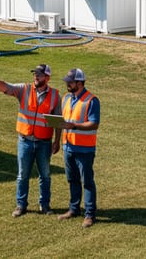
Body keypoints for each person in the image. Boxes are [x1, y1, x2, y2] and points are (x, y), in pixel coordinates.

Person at [0, 64, 62, 217]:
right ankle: (20, 205)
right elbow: (5, 87)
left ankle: (45, 205)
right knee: (22, 175)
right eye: (35, 74)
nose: (36, 76)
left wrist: (57, 141)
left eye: (40, 74)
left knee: (45, 175)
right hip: (25, 141)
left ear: (47, 78)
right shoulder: (25, 89)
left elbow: (57, 122)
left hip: (44, 143)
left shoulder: (56, 96)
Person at [56, 67, 100, 228]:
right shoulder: (67, 98)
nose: (67, 84)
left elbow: (94, 123)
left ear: (79, 83)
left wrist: (74, 125)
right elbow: (63, 120)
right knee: (72, 179)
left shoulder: (92, 100)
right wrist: (57, 141)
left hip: (84, 149)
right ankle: (74, 209)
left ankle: (90, 214)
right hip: (68, 147)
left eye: (70, 82)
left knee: (87, 181)